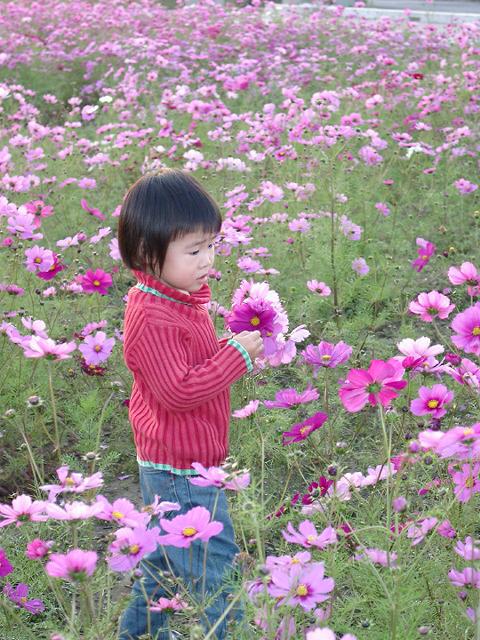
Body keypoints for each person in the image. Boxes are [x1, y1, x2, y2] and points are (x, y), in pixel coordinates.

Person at [117, 168, 263, 639]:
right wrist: (236, 356)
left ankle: (138, 634)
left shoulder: (178, 300)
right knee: (214, 567)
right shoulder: (152, 314)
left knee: (160, 563)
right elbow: (178, 391)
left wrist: (229, 347)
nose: (208, 260)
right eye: (194, 250)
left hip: (180, 461)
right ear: (147, 253)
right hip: (178, 469)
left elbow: (191, 365)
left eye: (212, 245)